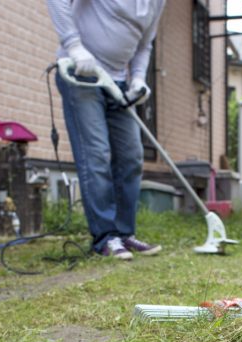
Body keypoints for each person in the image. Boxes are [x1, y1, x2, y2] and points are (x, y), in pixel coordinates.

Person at [46, 0, 166, 260]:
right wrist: (75, 47)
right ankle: (105, 238)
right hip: (81, 72)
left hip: (119, 83)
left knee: (131, 156)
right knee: (96, 154)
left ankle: (124, 234)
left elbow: (144, 44)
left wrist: (138, 78)